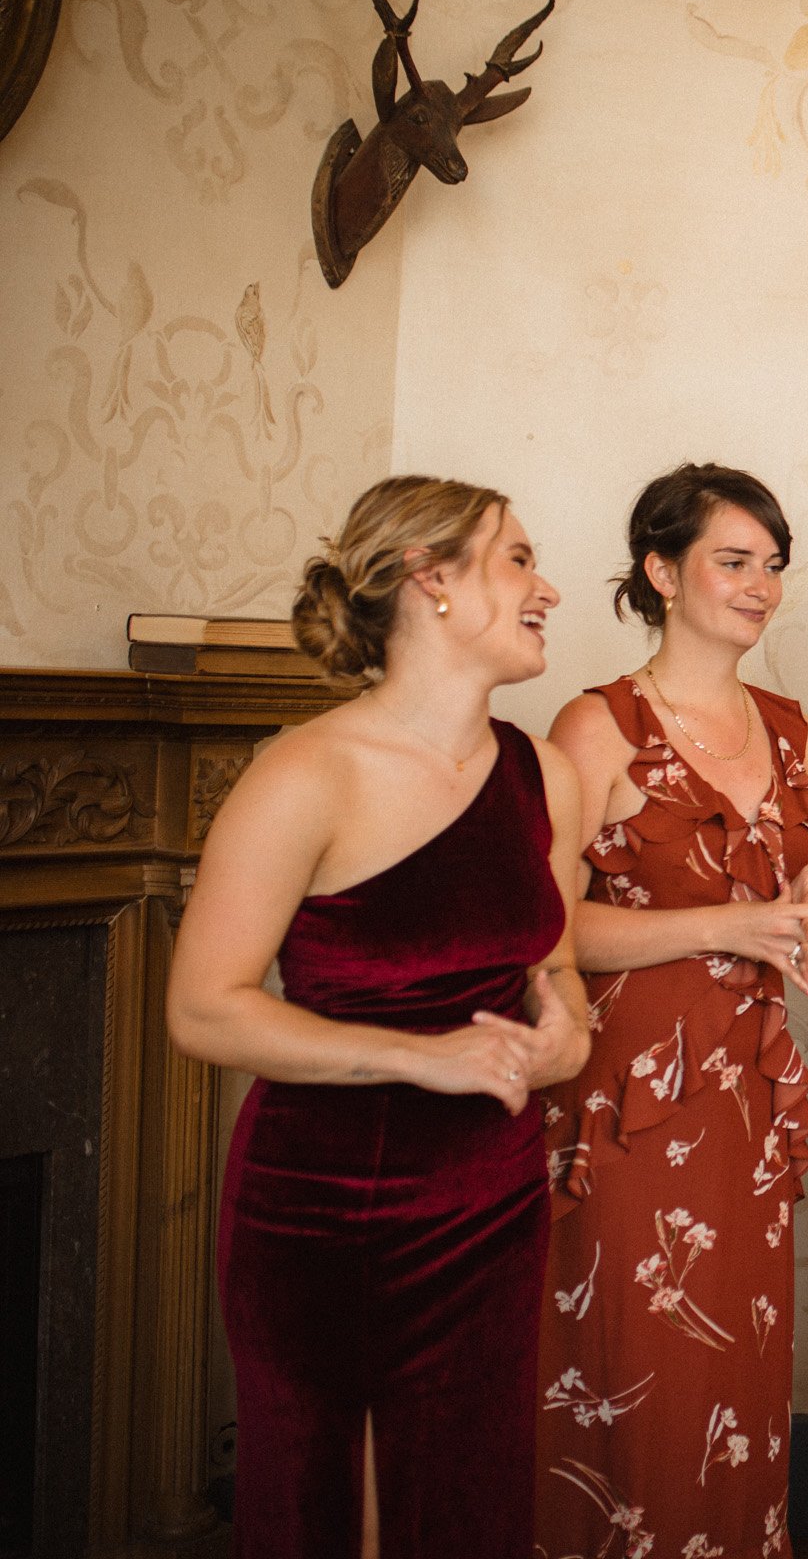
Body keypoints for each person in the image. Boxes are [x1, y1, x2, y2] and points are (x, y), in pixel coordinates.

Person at [167, 476, 589, 1558]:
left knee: (467, 1501)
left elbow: (558, 967)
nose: (548, 587)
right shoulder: (306, 772)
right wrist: (424, 1058)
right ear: (430, 579)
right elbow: (204, 1010)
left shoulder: (543, 772)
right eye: (517, 558)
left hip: (493, 1206)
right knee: (334, 1511)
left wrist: (564, 1039)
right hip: (328, 1214)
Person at [534, 464, 808, 1557]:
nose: (761, 585)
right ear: (661, 572)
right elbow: (550, 929)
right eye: (734, 560)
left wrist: (802, 917)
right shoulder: (598, 727)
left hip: (748, 1101)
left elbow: (788, 902)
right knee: (634, 1371)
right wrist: (731, 925)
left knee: (738, 1371)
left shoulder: (793, 727)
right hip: (630, 1100)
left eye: (773, 565)